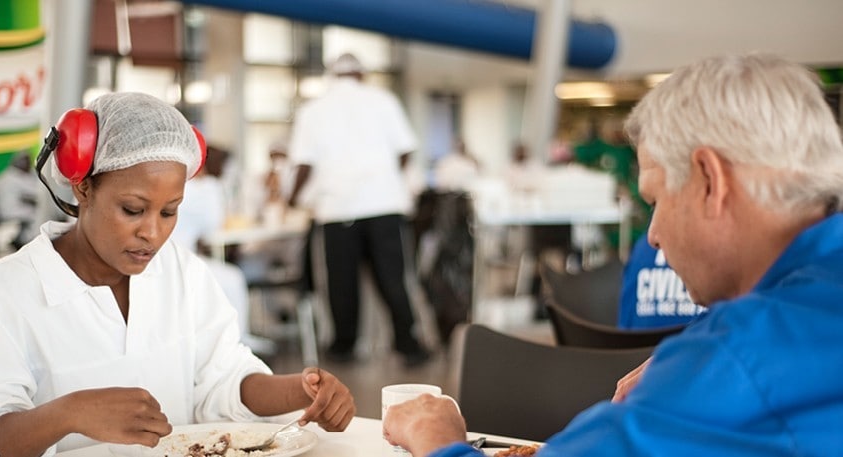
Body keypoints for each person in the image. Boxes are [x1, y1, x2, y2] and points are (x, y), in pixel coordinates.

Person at [382, 53, 843, 456]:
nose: (655, 235)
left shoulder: (745, 354)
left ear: (709, 180)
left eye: (656, 198)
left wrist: (439, 439)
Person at [0, 92, 355, 457]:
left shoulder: (181, 273)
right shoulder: (2, 296)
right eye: (132, 210)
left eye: (169, 211)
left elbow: (224, 378)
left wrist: (301, 391)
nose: (152, 233)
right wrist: (68, 413)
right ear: (82, 187)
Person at [287, 52, 431, 367]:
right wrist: (382, 177)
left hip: (338, 210)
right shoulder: (384, 100)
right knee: (393, 279)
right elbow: (405, 152)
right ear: (362, 75)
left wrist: (291, 199)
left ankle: (343, 347)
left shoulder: (313, 110)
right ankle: (408, 346)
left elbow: (304, 164)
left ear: (332, 77)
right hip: (384, 205)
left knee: (341, 284)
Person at [169, 144, 277, 356]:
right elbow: (214, 225)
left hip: (173, 257)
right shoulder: (206, 187)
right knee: (233, 277)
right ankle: (240, 340)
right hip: (180, 259)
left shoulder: (179, 185)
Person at [618, 232, 705, 329]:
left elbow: (624, 327)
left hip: (642, 343)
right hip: (700, 341)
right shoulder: (709, 247)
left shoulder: (640, 250)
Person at [0, 151, 40, 250]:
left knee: (32, 212)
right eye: (27, 162)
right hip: (10, 211)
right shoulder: (15, 177)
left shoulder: (6, 175)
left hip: (2, 210)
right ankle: (28, 243)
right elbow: (36, 192)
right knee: (37, 215)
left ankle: (19, 240)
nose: (28, 165)